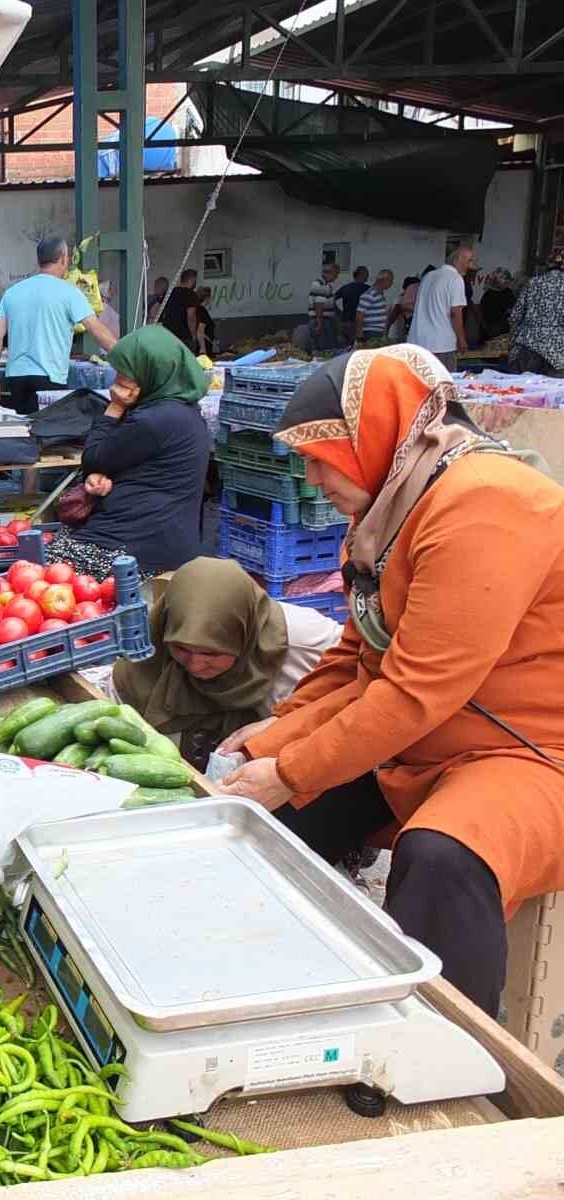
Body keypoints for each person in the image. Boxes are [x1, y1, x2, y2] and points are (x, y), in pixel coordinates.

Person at [219, 345, 564, 1016]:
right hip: (423, 741)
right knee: (270, 806)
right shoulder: (386, 512)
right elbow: (356, 660)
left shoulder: (487, 505)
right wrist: (276, 733)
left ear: (374, 436)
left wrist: (292, 767)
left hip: (525, 753)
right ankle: (284, 986)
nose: (312, 478)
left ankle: (451, 1059)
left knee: (443, 857)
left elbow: (414, 691)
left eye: (321, 457)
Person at [111, 558, 343, 768]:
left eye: (211, 653)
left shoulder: (309, 644)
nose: (195, 665)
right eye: (181, 648)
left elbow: (362, 686)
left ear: (244, 638)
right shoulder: (146, 659)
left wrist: (284, 724)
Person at [53, 325, 211, 577]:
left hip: (135, 548)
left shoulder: (153, 420)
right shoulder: (185, 411)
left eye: (126, 373)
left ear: (151, 372)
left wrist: (114, 407)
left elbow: (93, 457)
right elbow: (120, 463)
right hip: (164, 539)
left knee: (49, 562)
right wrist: (100, 476)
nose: (117, 380)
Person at [0, 236, 117, 414]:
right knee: (47, 434)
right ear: (63, 258)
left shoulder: (12, 292)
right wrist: (126, 358)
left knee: (22, 431)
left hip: (15, 377)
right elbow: (97, 330)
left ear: (39, 260)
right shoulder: (70, 293)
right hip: (50, 378)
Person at [410, 243, 475, 370]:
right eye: (469, 261)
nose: (471, 266)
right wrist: (461, 339)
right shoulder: (455, 278)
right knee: (444, 386)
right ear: (457, 260)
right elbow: (455, 313)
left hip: (418, 341)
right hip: (441, 345)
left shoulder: (429, 276)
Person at [508, 247, 564, 377]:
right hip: (559, 352)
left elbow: (515, 316)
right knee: (554, 395)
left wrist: (513, 341)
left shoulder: (532, 283)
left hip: (529, 346)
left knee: (523, 393)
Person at [157, 269, 202, 351]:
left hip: (168, 335)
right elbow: (191, 316)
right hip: (184, 337)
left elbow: (159, 311)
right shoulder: (190, 294)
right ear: (192, 280)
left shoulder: (169, 293)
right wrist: (193, 335)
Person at [307, 262, 342, 352]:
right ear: (330, 273)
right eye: (336, 274)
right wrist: (320, 323)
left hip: (319, 320)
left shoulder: (323, 284)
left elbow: (329, 304)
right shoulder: (322, 285)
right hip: (323, 321)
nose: (337, 277)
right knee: (327, 349)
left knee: (319, 349)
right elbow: (319, 305)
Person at [355, 269, 394, 344]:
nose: (392, 283)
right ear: (383, 280)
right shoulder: (370, 294)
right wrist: (360, 336)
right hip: (371, 332)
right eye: (391, 280)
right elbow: (359, 314)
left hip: (377, 332)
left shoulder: (379, 295)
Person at [335, 266, 370, 345]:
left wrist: (338, 312)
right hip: (358, 324)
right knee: (356, 348)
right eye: (367, 273)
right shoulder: (367, 289)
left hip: (344, 322)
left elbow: (330, 300)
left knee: (343, 348)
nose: (368, 276)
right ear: (362, 274)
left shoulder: (346, 288)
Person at [479, 268, 518, 340]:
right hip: (491, 331)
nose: (507, 283)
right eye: (505, 281)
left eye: (508, 282)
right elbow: (487, 317)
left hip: (504, 329)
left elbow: (514, 307)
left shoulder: (508, 292)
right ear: (497, 281)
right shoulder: (488, 295)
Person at [386, 274, 419, 342]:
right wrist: (386, 331)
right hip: (395, 335)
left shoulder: (401, 299)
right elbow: (392, 317)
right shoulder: (401, 300)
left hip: (397, 334)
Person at [193, 287, 217, 357]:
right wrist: (203, 349)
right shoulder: (202, 311)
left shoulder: (196, 309)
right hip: (203, 346)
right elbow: (200, 331)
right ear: (207, 298)